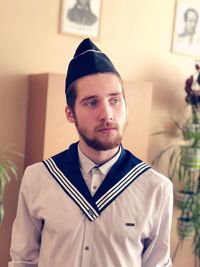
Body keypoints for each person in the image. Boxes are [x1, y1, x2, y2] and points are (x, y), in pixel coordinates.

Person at [9, 38, 173, 267]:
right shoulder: (38, 178)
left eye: (115, 100)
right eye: (91, 103)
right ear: (70, 113)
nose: (107, 114)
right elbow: (23, 261)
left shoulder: (157, 188)